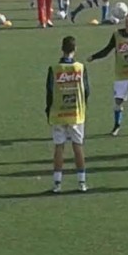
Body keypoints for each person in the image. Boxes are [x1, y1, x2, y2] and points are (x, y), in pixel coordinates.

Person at [46, 35, 90, 193]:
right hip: (76, 113)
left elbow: (49, 92)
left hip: (58, 113)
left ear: (62, 49)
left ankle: (57, 183)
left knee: (59, 147)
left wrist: (48, 112)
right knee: (78, 146)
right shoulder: (80, 68)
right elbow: (87, 91)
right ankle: (82, 182)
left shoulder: (54, 68)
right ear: (75, 49)